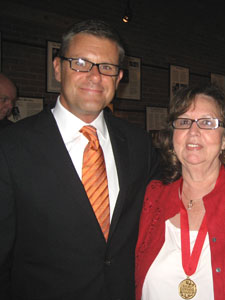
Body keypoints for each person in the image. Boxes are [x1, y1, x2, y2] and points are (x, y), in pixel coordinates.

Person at [0, 19, 159, 299]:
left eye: (107, 68)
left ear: (119, 78)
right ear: (58, 68)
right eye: (81, 63)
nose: (95, 76)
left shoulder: (139, 144)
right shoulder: (10, 148)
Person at [135, 85, 225, 300]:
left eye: (207, 123)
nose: (193, 132)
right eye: (184, 122)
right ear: (172, 135)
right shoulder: (153, 196)